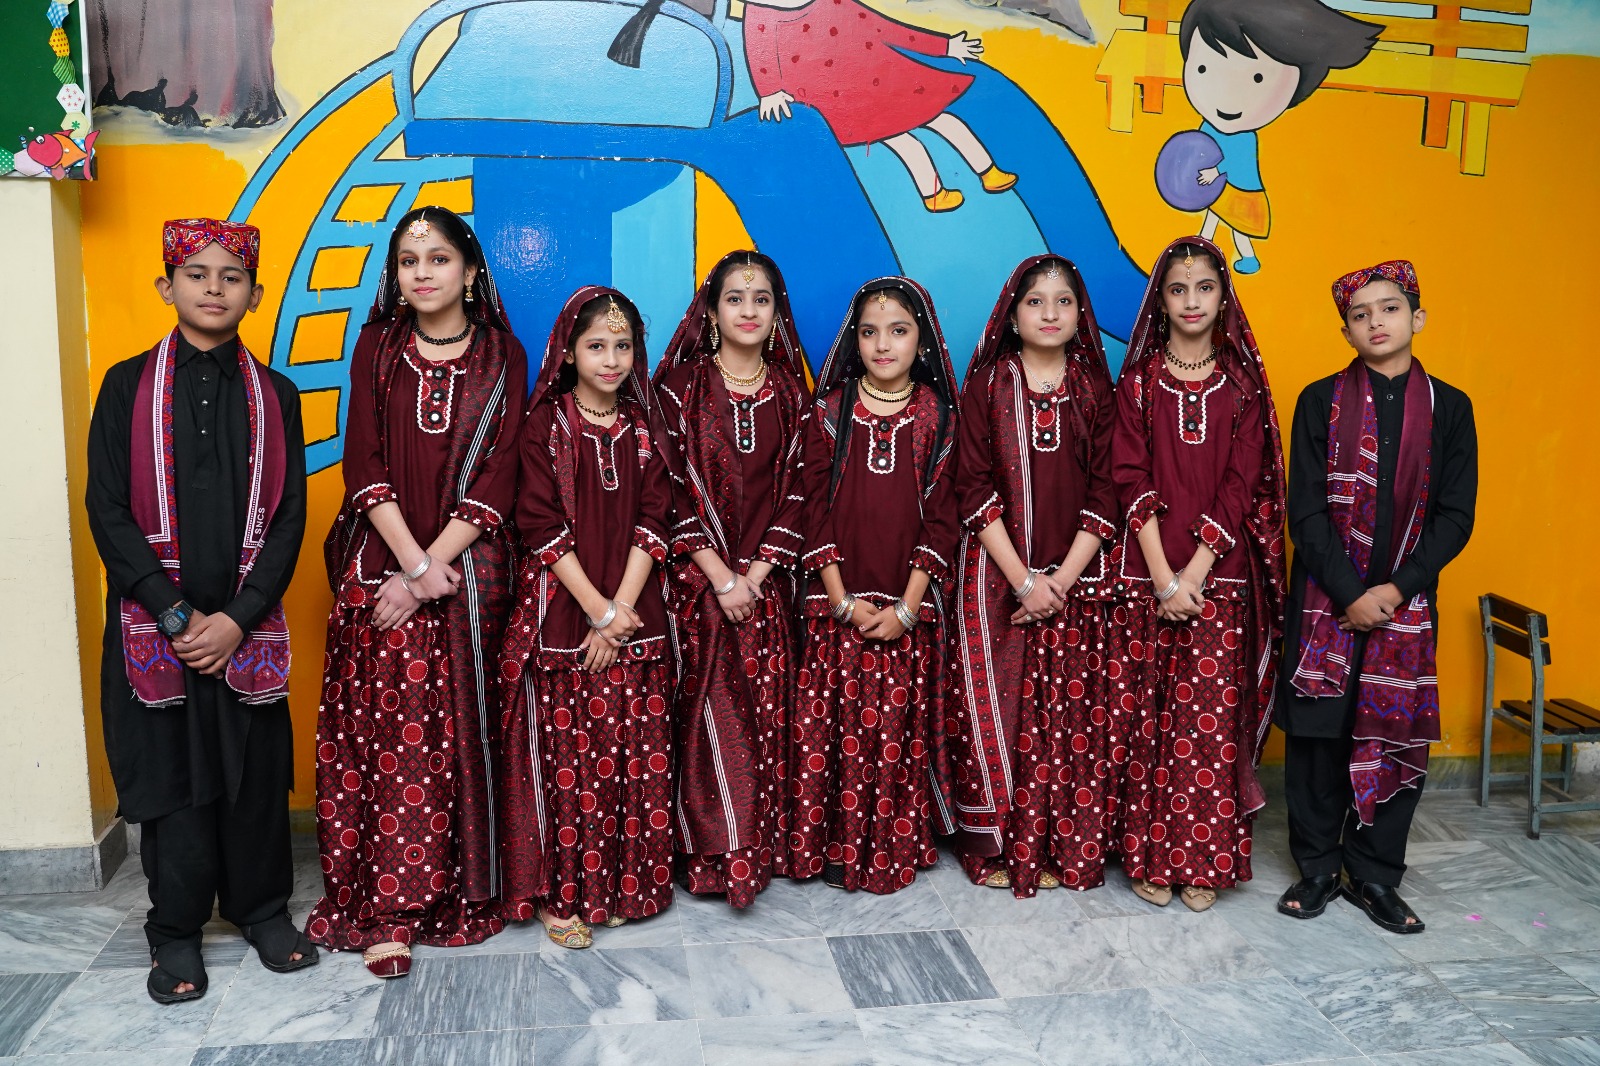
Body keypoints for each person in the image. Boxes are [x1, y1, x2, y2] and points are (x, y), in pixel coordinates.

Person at [86, 218, 313, 1004]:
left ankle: (262, 910)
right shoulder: (126, 387)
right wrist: (177, 616)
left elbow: (289, 518)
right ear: (166, 286)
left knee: (254, 774)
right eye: (196, 273)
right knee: (173, 775)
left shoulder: (277, 395)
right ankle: (176, 929)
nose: (214, 288)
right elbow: (108, 510)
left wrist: (239, 617)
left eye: (231, 276)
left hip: (246, 624)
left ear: (256, 294)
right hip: (162, 630)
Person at [307, 207, 527, 978]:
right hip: (383, 562)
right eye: (408, 260)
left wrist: (435, 564)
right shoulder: (379, 345)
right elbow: (363, 458)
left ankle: (464, 891)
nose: (423, 273)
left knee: (464, 735)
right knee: (392, 740)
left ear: (471, 271)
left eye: (438, 258)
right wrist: (408, 567)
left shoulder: (503, 354)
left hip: (469, 574)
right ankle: (387, 909)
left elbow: (502, 470)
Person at [1276, 260, 1476, 935]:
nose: (1376, 322)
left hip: (1405, 608)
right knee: (1317, 737)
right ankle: (1316, 868)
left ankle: (1376, 877)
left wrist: (1393, 590)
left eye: (1389, 309)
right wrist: (1350, 593)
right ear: (1346, 332)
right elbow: (1304, 511)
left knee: (1393, 730)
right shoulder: (1318, 401)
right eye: (1360, 315)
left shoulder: (1451, 408)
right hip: (1325, 604)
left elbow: (1456, 516)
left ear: (1417, 318)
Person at [1112, 236, 1286, 912]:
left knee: (1208, 726)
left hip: (1222, 579)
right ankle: (1150, 858)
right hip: (1147, 575)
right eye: (1178, 289)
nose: (1191, 301)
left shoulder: (1241, 387)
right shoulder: (1138, 383)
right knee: (1148, 722)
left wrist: (1196, 572)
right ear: (1161, 299)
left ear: (1223, 297)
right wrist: (1163, 577)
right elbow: (1130, 476)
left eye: (1205, 288)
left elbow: (1243, 485)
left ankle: (1204, 862)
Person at [498, 287, 676, 948]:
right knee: (567, 759)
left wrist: (621, 610)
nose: (611, 359)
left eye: (623, 346)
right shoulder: (545, 425)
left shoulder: (645, 428)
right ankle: (562, 895)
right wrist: (598, 612)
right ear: (568, 352)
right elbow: (538, 523)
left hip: (634, 613)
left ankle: (624, 885)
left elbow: (656, 518)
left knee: (631, 753)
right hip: (563, 614)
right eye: (596, 345)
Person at [949, 255, 1121, 896]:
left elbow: (1107, 490)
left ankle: (1058, 848)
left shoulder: (1096, 390)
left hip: (1079, 579)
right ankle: (994, 846)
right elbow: (971, 485)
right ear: (1012, 313)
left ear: (1081, 314)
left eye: (1063, 301)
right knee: (995, 712)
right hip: (996, 575)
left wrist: (1059, 583)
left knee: (1067, 721)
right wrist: (1025, 582)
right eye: (1035, 301)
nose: (1050, 313)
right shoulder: (987, 385)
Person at [790, 277, 959, 893]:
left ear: (923, 340)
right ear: (853, 341)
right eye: (869, 332)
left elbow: (943, 516)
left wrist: (908, 609)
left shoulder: (939, 416)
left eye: (898, 331)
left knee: (892, 733)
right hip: (838, 603)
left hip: (904, 607)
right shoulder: (830, 412)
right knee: (830, 729)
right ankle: (828, 850)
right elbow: (813, 507)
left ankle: (887, 845)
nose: (883, 345)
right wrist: (841, 600)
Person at [654, 252, 811, 908]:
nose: (749, 310)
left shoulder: (792, 392)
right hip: (697, 587)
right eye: (735, 299)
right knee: (710, 721)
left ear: (777, 313)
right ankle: (712, 854)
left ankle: (756, 849)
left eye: (762, 299)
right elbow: (665, 488)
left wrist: (758, 574)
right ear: (712, 312)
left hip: (768, 589)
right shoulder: (678, 389)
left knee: (762, 720)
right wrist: (720, 578)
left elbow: (801, 491)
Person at [745, 0, 1014, 213]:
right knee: (906, 142)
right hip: (845, 102)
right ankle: (934, 194)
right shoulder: (761, 15)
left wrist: (945, 46)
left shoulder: (833, 2)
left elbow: (886, 28)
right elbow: (760, 54)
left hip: (884, 82)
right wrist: (769, 92)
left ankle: (989, 172)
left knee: (945, 120)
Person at [1177, 0, 1378, 273]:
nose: (1228, 94)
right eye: (1203, 68)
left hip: (1241, 189)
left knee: (1239, 228)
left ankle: (1248, 258)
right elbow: (1200, 146)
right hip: (1219, 187)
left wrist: (1215, 171)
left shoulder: (1244, 138)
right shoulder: (1210, 127)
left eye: (1258, 78)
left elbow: (1235, 160)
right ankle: (1203, 247)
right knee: (1214, 215)